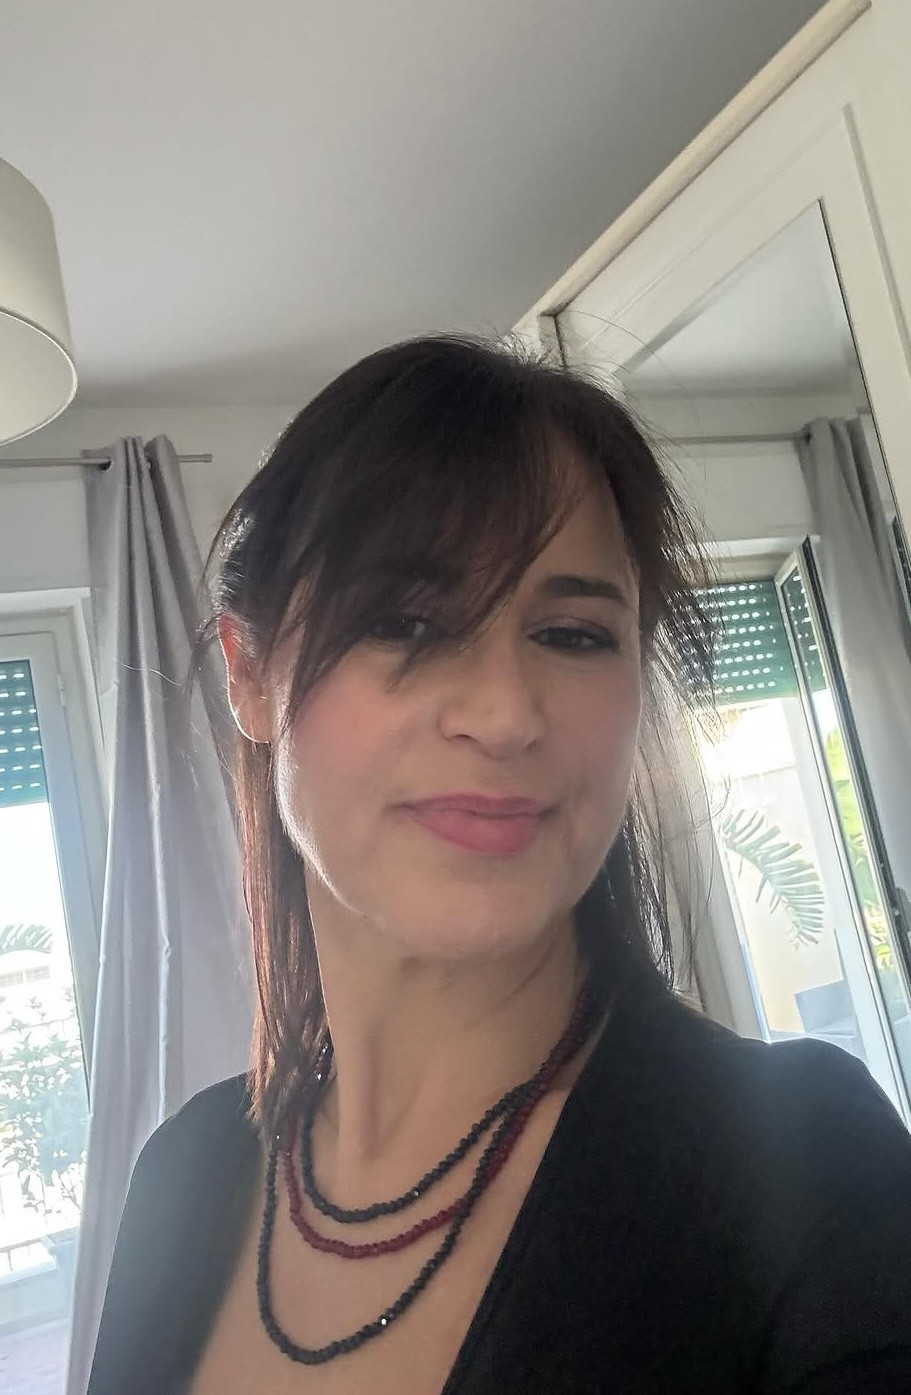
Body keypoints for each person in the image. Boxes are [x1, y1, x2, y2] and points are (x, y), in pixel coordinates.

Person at [87, 336, 911, 1394]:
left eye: (571, 635)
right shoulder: (183, 1175)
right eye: (405, 622)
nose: (505, 713)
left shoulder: (806, 1171)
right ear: (250, 675)